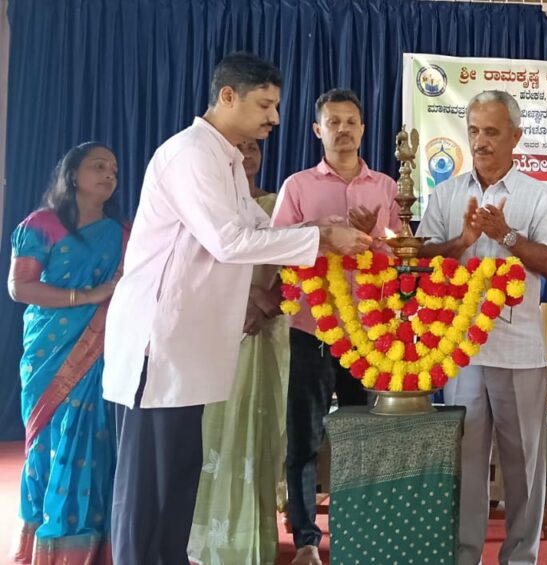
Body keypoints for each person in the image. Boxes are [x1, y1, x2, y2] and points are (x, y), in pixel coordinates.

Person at [101, 52, 371, 564]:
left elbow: (261, 229)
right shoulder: (191, 155)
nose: (274, 117)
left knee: (179, 477)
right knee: (147, 490)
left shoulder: (224, 159)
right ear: (228, 96)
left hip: (189, 345)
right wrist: (320, 238)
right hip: (158, 344)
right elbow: (229, 241)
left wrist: (322, 231)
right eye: (265, 105)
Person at [416, 89, 547, 565]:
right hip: (461, 352)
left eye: (492, 132)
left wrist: (506, 235)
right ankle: (465, 556)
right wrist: (462, 240)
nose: (480, 141)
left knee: (523, 467)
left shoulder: (537, 195)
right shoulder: (446, 193)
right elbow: (421, 259)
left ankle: (520, 557)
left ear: (515, 137)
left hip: (518, 351)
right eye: (474, 130)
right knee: (465, 464)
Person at [270, 87, 402, 565]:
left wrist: (375, 236)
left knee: (361, 437)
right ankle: (306, 540)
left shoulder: (385, 187)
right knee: (304, 439)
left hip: (368, 332)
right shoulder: (298, 186)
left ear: (363, 129)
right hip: (311, 330)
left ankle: (354, 534)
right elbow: (275, 246)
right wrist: (320, 236)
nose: (343, 129)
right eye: (334, 122)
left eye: (351, 121)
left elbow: (399, 253)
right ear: (317, 130)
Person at [8, 142, 125, 565]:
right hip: (49, 349)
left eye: (114, 169)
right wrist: (88, 295)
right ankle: (51, 545)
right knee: (48, 443)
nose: (109, 174)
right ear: (73, 174)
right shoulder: (41, 224)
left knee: (93, 441)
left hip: (102, 350)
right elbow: (20, 287)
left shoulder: (122, 234)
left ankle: (89, 545)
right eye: (99, 166)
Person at [188, 139, 291, 564]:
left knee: (259, 424)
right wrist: (246, 299)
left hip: (264, 330)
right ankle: (211, 539)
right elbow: (195, 263)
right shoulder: (208, 206)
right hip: (217, 328)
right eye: (239, 148)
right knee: (215, 429)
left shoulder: (276, 204)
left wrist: (267, 301)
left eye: (254, 149)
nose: (248, 155)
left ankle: (253, 538)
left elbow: (296, 261)